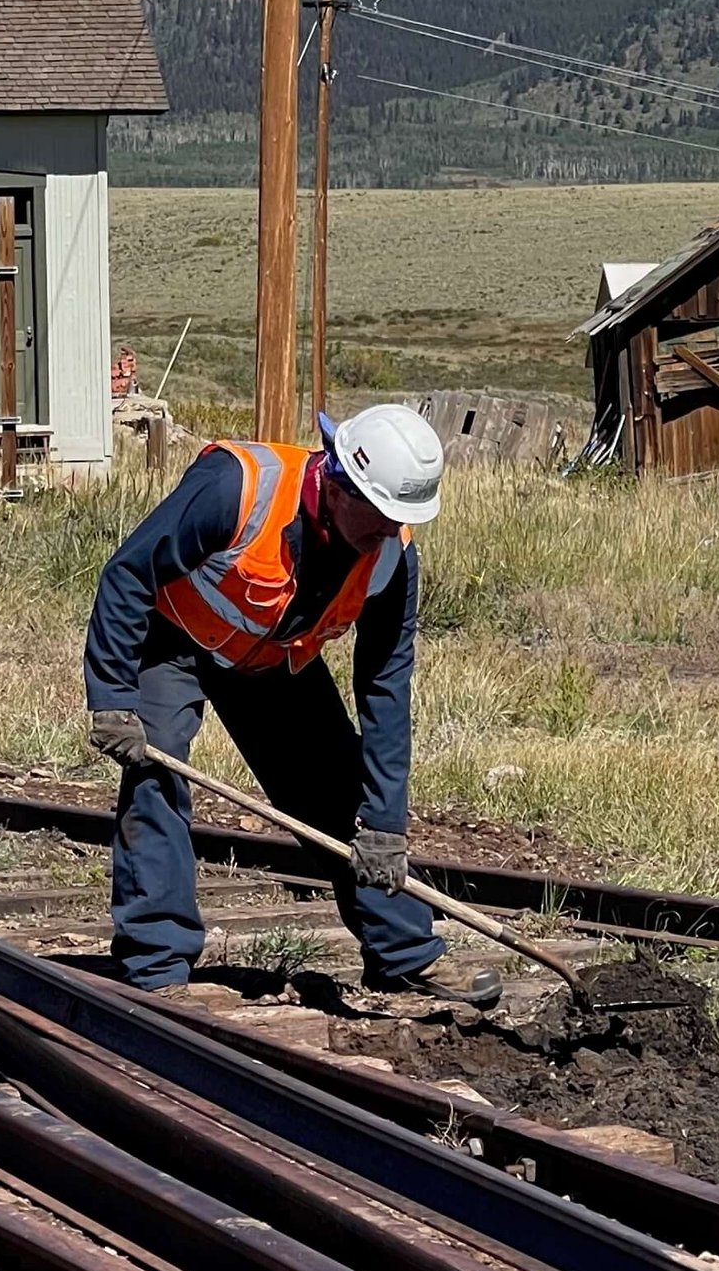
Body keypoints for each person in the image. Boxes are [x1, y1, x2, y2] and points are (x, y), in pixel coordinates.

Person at [81, 405, 497, 1005]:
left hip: (271, 660)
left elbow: (386, 690)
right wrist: (114, 697)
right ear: (337, 480)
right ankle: (157, 967)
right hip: (170, 640)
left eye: (398, 523)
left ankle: (403, 955)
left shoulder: (392, 558)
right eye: (379, 518)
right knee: (156, 771)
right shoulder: (237, 487)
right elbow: (128, 574)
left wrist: (384, 825)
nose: (386, 534)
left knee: (339, 793)